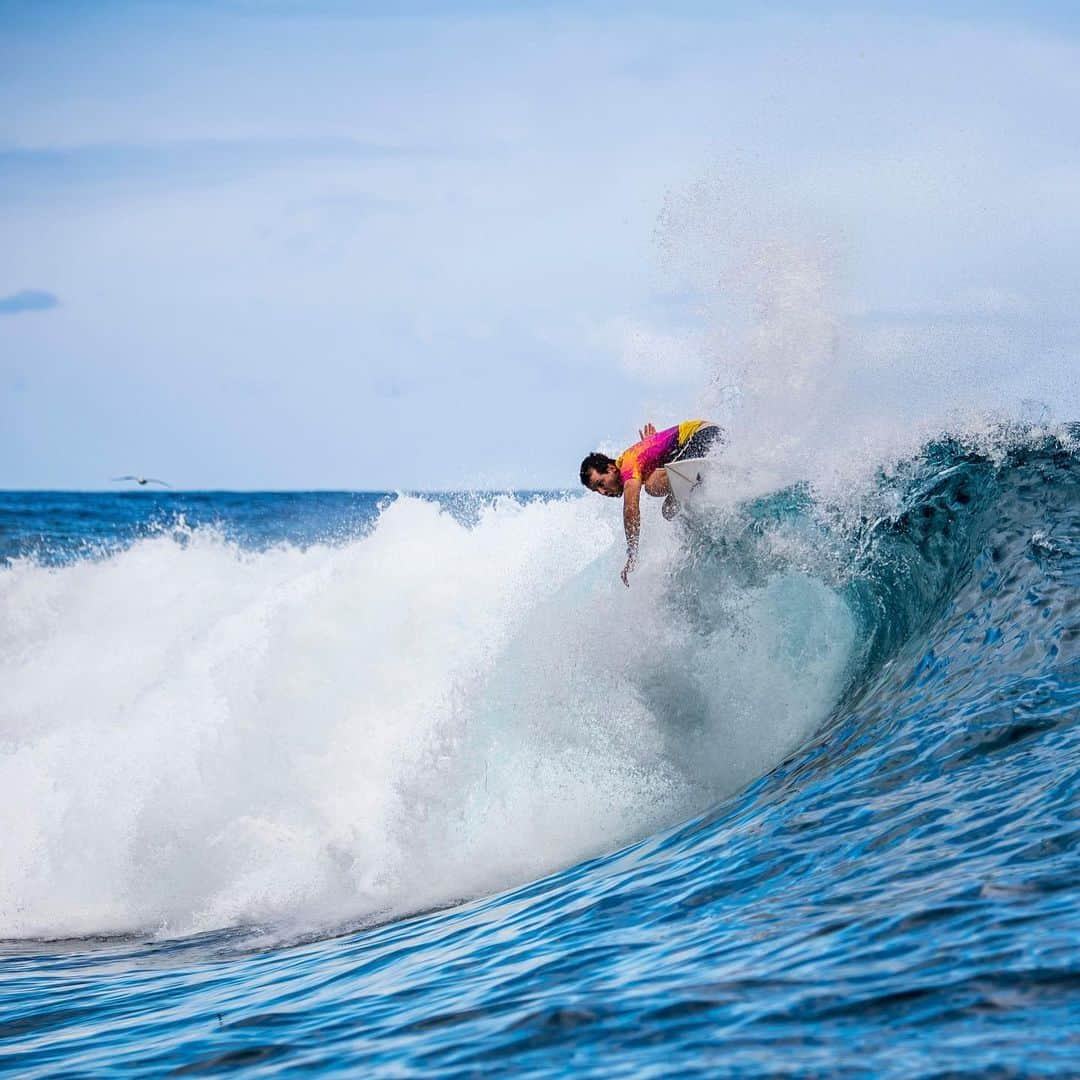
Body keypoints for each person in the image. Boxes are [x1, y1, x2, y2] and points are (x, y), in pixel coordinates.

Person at [579, 420, 722, 586]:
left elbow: (630, 508)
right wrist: (653, 445)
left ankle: (697, 477)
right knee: (669, 510)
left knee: (653, 486)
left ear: (611, 469)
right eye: (597, 491)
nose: (603, 492)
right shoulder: (635, 460)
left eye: (601, 483)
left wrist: (632, 554)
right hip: (711, 441)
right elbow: (654, 453)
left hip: (703, 437)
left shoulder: (628, 465)